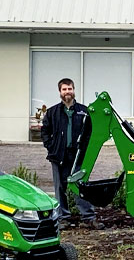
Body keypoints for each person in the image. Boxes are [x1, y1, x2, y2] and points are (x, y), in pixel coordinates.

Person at [41, 78, 103, 229]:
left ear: (74, 90)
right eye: (64, 89)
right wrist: (51, 147)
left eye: (70, 89)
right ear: (60, 92)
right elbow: (45, 131)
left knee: (81, 186)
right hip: (59, 156)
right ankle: (63, 218)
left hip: (78, 156)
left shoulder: (84, 111)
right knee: (60, 188)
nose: (67, 92)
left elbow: (91, 132)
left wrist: (86, 150)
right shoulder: (52, 112)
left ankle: (88, 217)